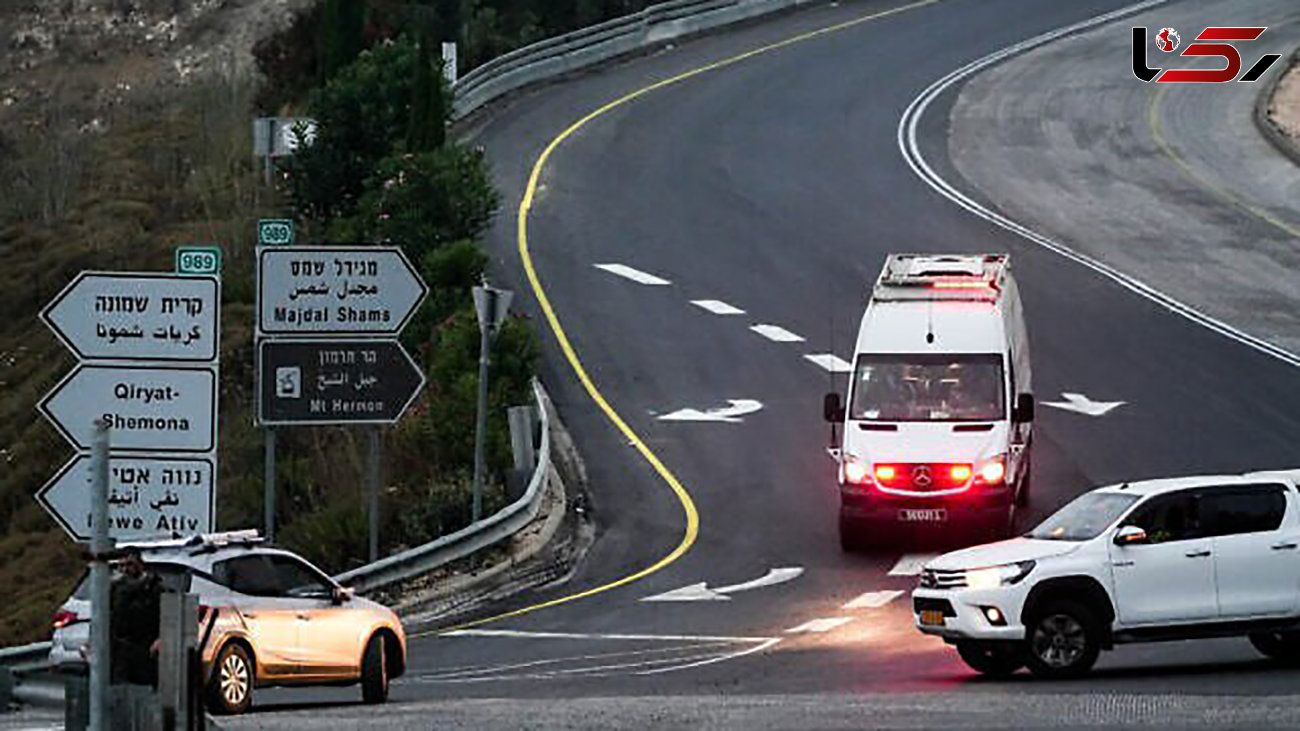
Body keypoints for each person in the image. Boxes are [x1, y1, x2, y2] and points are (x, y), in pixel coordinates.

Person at [109, 548, 162, 687]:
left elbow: (167, 615)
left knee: (143, 688)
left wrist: (160, 639)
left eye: (129, 564)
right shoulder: (115, 588)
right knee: (119, 688)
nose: (125, 569)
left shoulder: (154, 587)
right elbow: (107, 616)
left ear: (140, 564)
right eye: (121, 565)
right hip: (119, 648)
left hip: (145, 647)